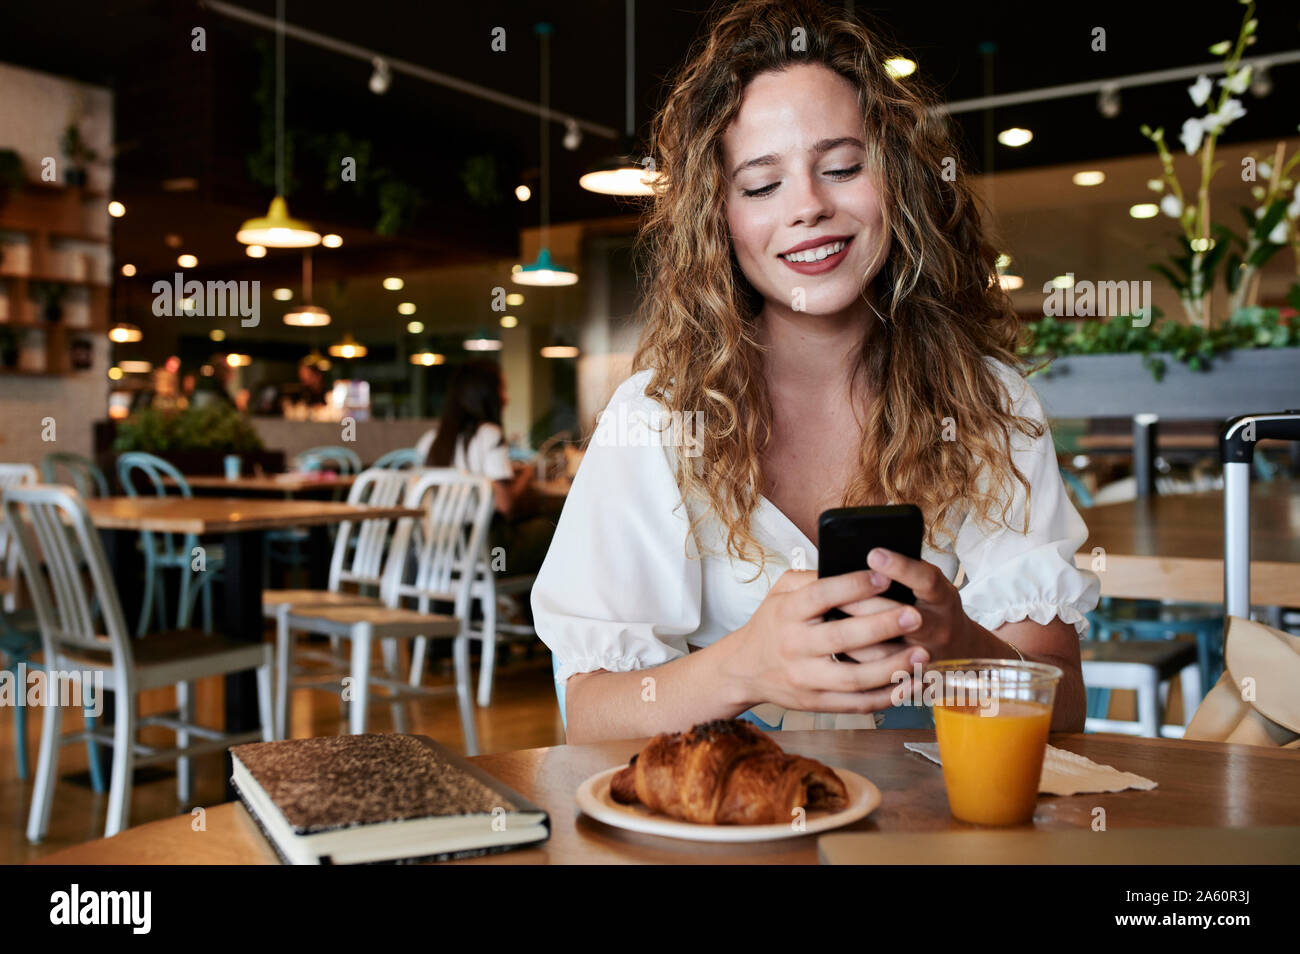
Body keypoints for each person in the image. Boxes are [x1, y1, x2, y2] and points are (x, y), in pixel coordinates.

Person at [532, 0, 1100, 744]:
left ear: (895, 183)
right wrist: (746, 667)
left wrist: (958, 639)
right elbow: (594, 718)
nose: (808, 207)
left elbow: (1063, 710)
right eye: (762, 185)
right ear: (719, 220)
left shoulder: (987, 401)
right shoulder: (657, 418)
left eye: (841, 167)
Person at [421, 360, 555, 580]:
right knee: (558, 526)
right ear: (486, 395)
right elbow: (505, 506)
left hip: (442, 547)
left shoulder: (432, 440)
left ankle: (516, 608)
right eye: (501, 389)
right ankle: (534, 609)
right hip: (488, 551)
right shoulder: (489, 434)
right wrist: (527, 475)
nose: (506, 398)